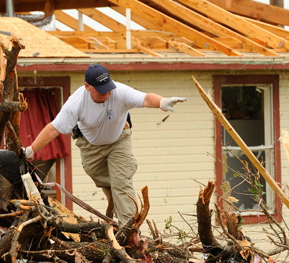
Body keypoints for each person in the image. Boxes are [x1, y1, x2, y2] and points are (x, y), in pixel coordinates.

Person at [24, 64, 186, 227]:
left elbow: (145, 98)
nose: (107, 94)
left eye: (108, 89)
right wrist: (31, 149)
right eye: (102, 91)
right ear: (87, 86)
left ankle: (128, 229)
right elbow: (53, 129)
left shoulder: (120, 92)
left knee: (121, 181)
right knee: (98, 175)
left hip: (119, 141)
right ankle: (115, 197)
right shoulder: (76, 103)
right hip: (90, 145)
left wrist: (162, 102)